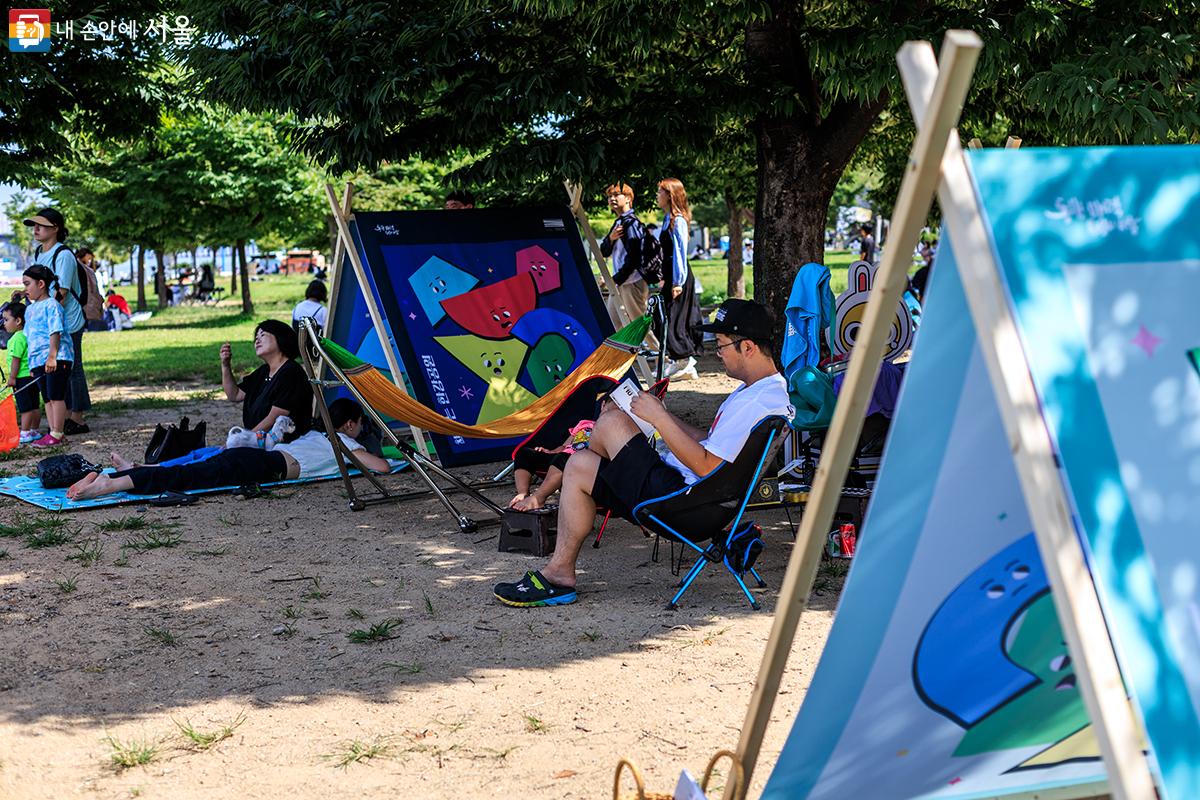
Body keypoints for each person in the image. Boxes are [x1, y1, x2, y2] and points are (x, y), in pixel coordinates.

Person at [493, 298, 793, 607]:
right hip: (693, 496)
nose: (717, 354)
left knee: (609, 423)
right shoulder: (760, 392)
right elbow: (712, 443)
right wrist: (662, 415)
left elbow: (707, 467)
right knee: (581, 465)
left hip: (684, 504)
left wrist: (658, 419)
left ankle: (598, 479)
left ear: (748, 347)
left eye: (721, 345)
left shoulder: (759, 401)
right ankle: (560, 574)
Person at [66, 398, 390, 500]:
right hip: (264, 466)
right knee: (187, 478)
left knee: (188, 470)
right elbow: (382, 467)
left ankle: (119, 475)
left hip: (256, 458)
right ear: (350, 424)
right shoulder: (345, 443)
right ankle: (111, 484)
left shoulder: (316, 436)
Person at [24, 208, 91, 435]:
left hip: (68, 321)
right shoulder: (39, 253)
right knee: (59, 371)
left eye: (41, 225)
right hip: (49, 323)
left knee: (72, 369)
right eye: (34, 225)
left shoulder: (63, 255)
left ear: (56, 229)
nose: (36, 229)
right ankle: (63, 418)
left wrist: (43, 316)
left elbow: (60, 293)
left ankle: (78, 418)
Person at [509, 396, 613, 512]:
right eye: (609, 411)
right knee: (524, 453)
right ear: (603, 405)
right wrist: (550, 452)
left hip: (582, 467)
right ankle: (523, 493)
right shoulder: (585, 424)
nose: (609, 418)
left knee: (566, 459)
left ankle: (538, 498)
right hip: (562, 457)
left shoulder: (614, 433)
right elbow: (564, 446)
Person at [220, 319, 313, 443]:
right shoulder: (264, 371)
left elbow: (274, 419)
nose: (257, 340)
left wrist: (244, 440)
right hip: (259, 440)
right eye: (256, 337)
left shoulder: (291, 373)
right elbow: (234, 395)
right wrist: (225, 365)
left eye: (263, 335)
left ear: (281, 338)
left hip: (282, 445)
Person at [20, 265, 75, 448]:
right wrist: (32, 363)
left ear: (41, 284)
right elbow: (29, 337)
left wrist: (52, 356)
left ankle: (57, 433)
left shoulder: (52, 305)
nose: (25, 289)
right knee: (48, 398)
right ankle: (54, 432)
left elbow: (55, 331)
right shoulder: (30, 309)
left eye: (28, 284)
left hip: (56, 359)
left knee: (56, 396)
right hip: (38, 361)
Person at [599, 183, 659, 351]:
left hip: (632, 282)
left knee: (639, 322)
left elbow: (634, 259)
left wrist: (615, 280)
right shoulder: (619, 222)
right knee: (613, 322)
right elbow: (604, 251)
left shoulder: (632, 224)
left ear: (628, 198)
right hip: (620, 283)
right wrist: (610, 238)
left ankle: (662, 356)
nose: (611, 199)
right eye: (609, 196)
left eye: (616, 195)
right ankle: (618, 360)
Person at [655, 179, 703, 381]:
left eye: (660, 192)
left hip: (679, 277)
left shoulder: (678, 221)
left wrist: (678, 281)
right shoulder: (668, 219)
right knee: (662, 317)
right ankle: (679, 360)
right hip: (670, 275)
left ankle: (685, 360)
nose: (657, 196)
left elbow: (680, 253)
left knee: (675, 318)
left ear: (670, 195)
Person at [3, 301, 42, 444]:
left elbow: (16, 360)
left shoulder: (16, 339)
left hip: (21, 378)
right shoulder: (29, 335)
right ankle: (35, 430)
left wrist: (12, 377)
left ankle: (25, 433)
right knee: (35, 405)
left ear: (18, 321)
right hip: (32, 377)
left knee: (25, 407)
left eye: (6, 320)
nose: (4, 323)